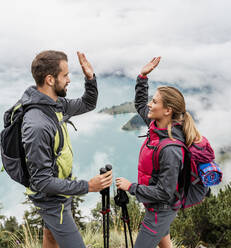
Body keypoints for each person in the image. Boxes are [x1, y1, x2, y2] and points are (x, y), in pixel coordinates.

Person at [21, 50, 113, 248]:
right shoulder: (37, 125)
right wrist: (88, 186)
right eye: (65, 75)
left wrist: (90, 78)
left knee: (51, 238)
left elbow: (88, 104)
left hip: (60, 188)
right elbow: (42, 182)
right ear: (50, 80)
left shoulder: (55, 105)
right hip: (52, 198)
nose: (69, 80)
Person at [116, 57, 202, 248]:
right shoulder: (157, 128)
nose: (149, 104)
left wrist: (131, 187)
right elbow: (140, 104)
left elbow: (165, 191)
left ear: (167, 111)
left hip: (160, 209)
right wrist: (142, 77)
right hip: (156, 206)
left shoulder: (171, 149)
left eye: (154, 101)